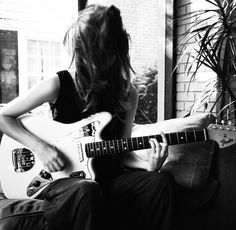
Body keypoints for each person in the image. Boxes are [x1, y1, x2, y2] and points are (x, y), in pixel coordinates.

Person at [0, 4, 172, 230]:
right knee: (87, 190)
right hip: (65, 180)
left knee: (158, 183)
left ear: (117, 50)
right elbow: (4, 117)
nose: (95, 61)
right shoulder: (59, 83)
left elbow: (123, 152)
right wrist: (40, 146)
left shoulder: (128, 93)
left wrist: (148, 166)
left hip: (108, 179)